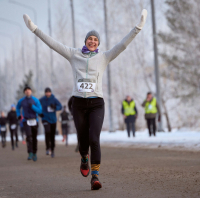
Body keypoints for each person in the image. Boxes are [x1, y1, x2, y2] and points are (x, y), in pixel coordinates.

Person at [23, 9, 147, 190]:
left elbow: (122, 45)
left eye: (95, 40)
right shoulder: (74, 54)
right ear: (85, 41)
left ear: (98, 44)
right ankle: (83, 158)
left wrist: (138, 27)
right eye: (90, 39)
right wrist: (34, 28)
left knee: (94, 138)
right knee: (83, 140)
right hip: (79, 104)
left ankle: (95, 176)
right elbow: (53, 44)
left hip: (97, 103)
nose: (92, 41)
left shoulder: (104, 57)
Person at [16, 85, 42, 162]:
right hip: (26, 121)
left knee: (34, 138)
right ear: (24, 92)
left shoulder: (35, 100)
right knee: (29, 137)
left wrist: (33, 107)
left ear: (31, 91)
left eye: (29, 90)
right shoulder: (21, 101)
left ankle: (35, 153)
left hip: (34, 120)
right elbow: (17, 107)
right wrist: (18, 115)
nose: (27, 91)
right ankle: (30, 153)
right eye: (26, 90)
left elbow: (40, 111)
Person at [39, 87, 62, 158]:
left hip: (53, 120)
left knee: (52, 135)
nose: (48, 93)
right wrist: (39, 113)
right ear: (45, 93)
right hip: (45, 118)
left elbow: (60, 106)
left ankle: (52, 149)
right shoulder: (42, 100)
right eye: (46, 92)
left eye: (49, 92)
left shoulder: (54, 99)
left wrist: (55, 107)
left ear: (51, 93)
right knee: (47, 131)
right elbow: (37, 106)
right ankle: (47, 148)